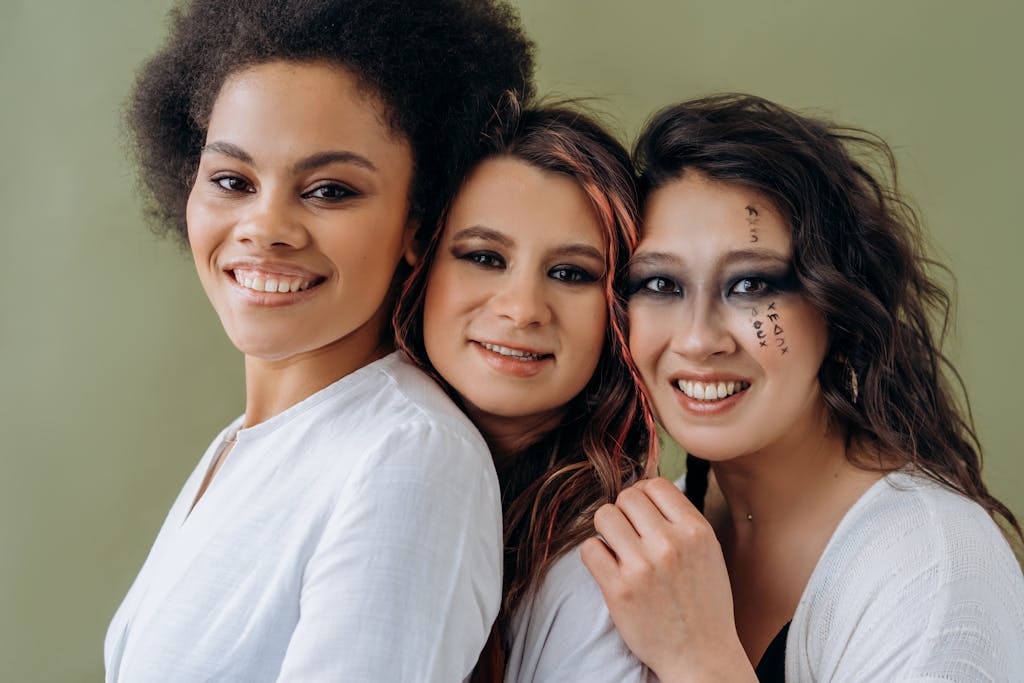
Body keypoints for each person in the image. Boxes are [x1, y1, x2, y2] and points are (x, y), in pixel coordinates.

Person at [104, 1, 533, 681]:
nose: (265, 225)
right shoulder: (243, 444)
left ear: (419, 223)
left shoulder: (409, 459)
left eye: (330, 189)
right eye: (231, 181)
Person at [582, 94, 1024, 681]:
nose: (696, 340)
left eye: (750, 285)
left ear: (834, 308)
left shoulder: (933, 565)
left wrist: (699, 659)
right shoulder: (658, 529)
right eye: (660, 283)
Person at [395, 100, 656, 682]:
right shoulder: (367, 452)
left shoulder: (606, 564)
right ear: (421, 261)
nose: (521, 310)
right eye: (485, 257)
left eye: (571, 273)